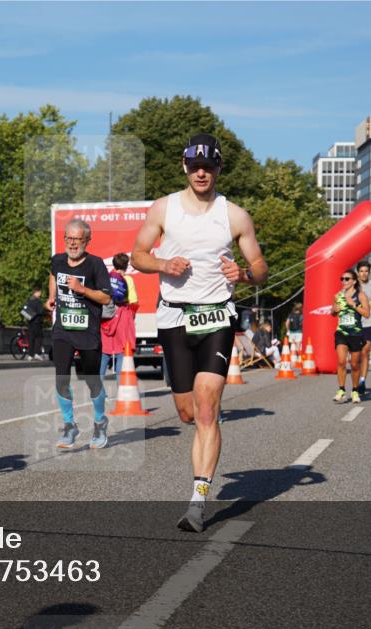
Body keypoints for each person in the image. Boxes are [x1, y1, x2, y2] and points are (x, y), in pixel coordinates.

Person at [131, 132, 267, 533]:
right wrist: (162, 265)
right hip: (173, 318)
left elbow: (260, 268)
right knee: (188, 412)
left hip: (217, 318)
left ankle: (197, 501)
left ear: (219, 168)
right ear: (184, 166)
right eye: (195, 165)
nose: (201, 172)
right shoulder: (164, 209)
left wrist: (242, 274)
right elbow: (137, 254)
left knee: (207, 409)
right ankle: (205, 419)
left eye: (209, 166)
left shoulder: (235, 215)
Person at [47, 218, 112, 450]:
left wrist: (82, 289)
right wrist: (51, 296)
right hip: (63, 330)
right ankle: (69, 425)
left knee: (92, 380)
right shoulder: (57, 260)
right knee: (61, 377)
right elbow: (53, 275)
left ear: (87, 240)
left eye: (77, 239)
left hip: (88, 332)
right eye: (69, 238)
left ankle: (99, 422)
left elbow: (106, 297)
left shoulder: (96, 265)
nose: (72, 244)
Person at [332, 268, 371, 403]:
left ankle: (354, 391)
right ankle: (341, 390)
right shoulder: (337, 296)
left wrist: (353, 305)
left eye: (347, 279)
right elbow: (333, 312)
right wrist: (334, 310)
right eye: (342, 279)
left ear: (354, 281)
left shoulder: (360, 295)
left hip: (356, 333)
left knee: (354, 365)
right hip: (341, 332)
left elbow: (367, 314)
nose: (344, 281)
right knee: (341, 361)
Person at [100, 253, 136, 379]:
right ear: (126, 266)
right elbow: (133, 301)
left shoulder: (106, 278)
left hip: (106, 316)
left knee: (104, 352)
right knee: (122, 352)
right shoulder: (128, 280)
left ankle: (98, 390)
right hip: (122, 317)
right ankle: (121, 388)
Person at [355, 261, 371, 395]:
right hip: (355, 322)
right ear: (358, 272)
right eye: (362, 271)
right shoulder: (353, 285)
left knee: (365, 351)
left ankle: (362, 381)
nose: (364, 273)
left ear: (369, 272)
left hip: (369, 322)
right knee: (356, 355)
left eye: (366, 271)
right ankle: (356, 381)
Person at [22, 287, 46, 360]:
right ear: (37, 292)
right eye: (40, 292)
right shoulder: (38, 301)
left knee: (31, 338)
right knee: (39, 337)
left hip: (30, 322)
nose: (40, 294)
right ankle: (37, 353)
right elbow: (41, 311)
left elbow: (24, 310)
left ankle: (30, 355)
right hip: (37, 322)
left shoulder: (29, 300)